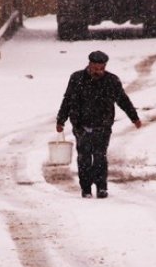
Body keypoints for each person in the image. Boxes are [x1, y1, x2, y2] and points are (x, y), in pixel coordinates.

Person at [56, 51, 142, 199]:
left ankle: (102, 187)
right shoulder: (77, 79)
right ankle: (86, 189)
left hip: (102, 126)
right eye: (96, 69)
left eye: (101, 69)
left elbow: (123, 100)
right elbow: (68, 100)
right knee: (84, 157)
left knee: (100, 156)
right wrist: (60, 120)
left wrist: (134, 118)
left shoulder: (112, 81)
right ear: (89, 65)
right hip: (81, 125)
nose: (99, 72)